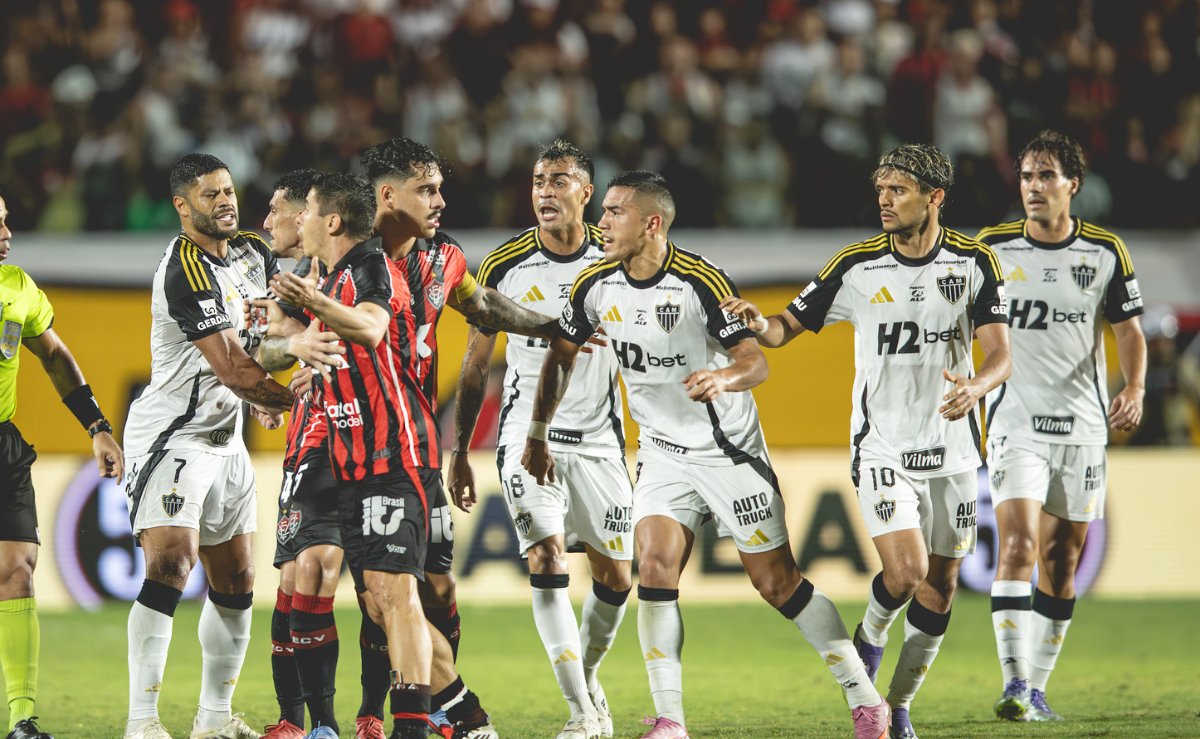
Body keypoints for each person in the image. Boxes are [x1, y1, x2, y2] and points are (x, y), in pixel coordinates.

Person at [524, 170, 891, 739]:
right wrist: (538, 429)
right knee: (653, 567)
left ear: (652, 224)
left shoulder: (700, 281)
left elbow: (757, 361)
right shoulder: (594, 285)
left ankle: (865, 700)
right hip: (662, 456)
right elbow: (561, 354)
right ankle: (670, 720)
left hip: (727, 453)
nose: (601, 221)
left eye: (615, 212)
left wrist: (723, 377)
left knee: (777, 584)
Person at [721, 144, 1012, 739]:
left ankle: (898, 705)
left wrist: (977, 386)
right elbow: (785, 330)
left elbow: (1001, 353)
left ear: (934, 198)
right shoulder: (855, 265)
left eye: (898, 190)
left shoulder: (974, 261)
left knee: (943, 584)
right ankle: (872, 634)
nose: (883, 201)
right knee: (905, 574)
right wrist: (759, 324)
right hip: (881, 445)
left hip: (954, 446)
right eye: (880, 189)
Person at [359, 135, 573, 739]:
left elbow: (484, 308)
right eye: (427, 189)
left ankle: (430, 705)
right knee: (382, 594)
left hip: (421, 447)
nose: (440, 200)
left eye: (439, 188)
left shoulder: (445, 255)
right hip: (365, 451)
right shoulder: (350, 255)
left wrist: (549, 324)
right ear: (387, 194)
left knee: (433, 586)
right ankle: (436, 710)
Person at [449, 141, 632, 739]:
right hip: (528, 443)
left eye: (559, 180)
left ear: (587, 193)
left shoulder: (618, 259)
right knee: (546, 559)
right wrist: (459, 451)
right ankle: (582, 713)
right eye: (536, 181)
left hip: (602, 442)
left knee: (617, 578)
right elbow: (476, 366)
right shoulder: (504, 265)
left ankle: (587, 679)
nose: (544, 191)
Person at [975, 130, 1146, 722]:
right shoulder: (992, 248)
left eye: (1046, 176)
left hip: (1081, 427)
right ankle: (1016, 682)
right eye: (1026, 177)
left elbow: (1129, 332)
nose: (1034, 188)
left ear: (1074, 184)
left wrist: (1136, 386)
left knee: (1062, 560)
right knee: (1017, 544)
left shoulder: (1105, 252)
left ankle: (1039, 687)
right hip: (1013, 420)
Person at [122, 154, 295, 739]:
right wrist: (283, 396)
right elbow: (231, 367)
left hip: (227, 441)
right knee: (172, 560)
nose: (225, 201)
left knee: (240, 578)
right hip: (174, 436)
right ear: (181, 206)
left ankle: (214, 721)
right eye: (209, 194)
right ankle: (142, 722)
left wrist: (269, 390)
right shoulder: (186, 269)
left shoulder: (251, 251)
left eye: (228, 190)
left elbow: (272, 332)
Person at [268, 172, 437, 739]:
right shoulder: (329, 276)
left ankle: (410, 726)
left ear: (331, 221)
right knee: (372, 596)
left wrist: (312, 303)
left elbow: (370, 328)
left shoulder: (368, 267)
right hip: (349, 457)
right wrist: (302, 362)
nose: (298, 220)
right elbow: (281, 344)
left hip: (393, 452)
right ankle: (325, 722)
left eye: (306, 210)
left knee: (395, 592)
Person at [0, 193, 123, 739]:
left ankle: (21, 716)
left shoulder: (18, 287)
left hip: (3, 445)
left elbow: (53, 355)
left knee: (16, 569)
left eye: (6, 219)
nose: (7, 232)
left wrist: (96, 427)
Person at [256, 168, 351, 739]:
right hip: (308, 443)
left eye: (275, 211)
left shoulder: (361, 271)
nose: (266, 222)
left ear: (306, 214)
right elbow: (266, 350)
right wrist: (267, 390)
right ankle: (297, 721)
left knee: (327, 569)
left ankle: (342, 720)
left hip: (357, 440)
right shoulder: (288, 281)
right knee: (295, 576)